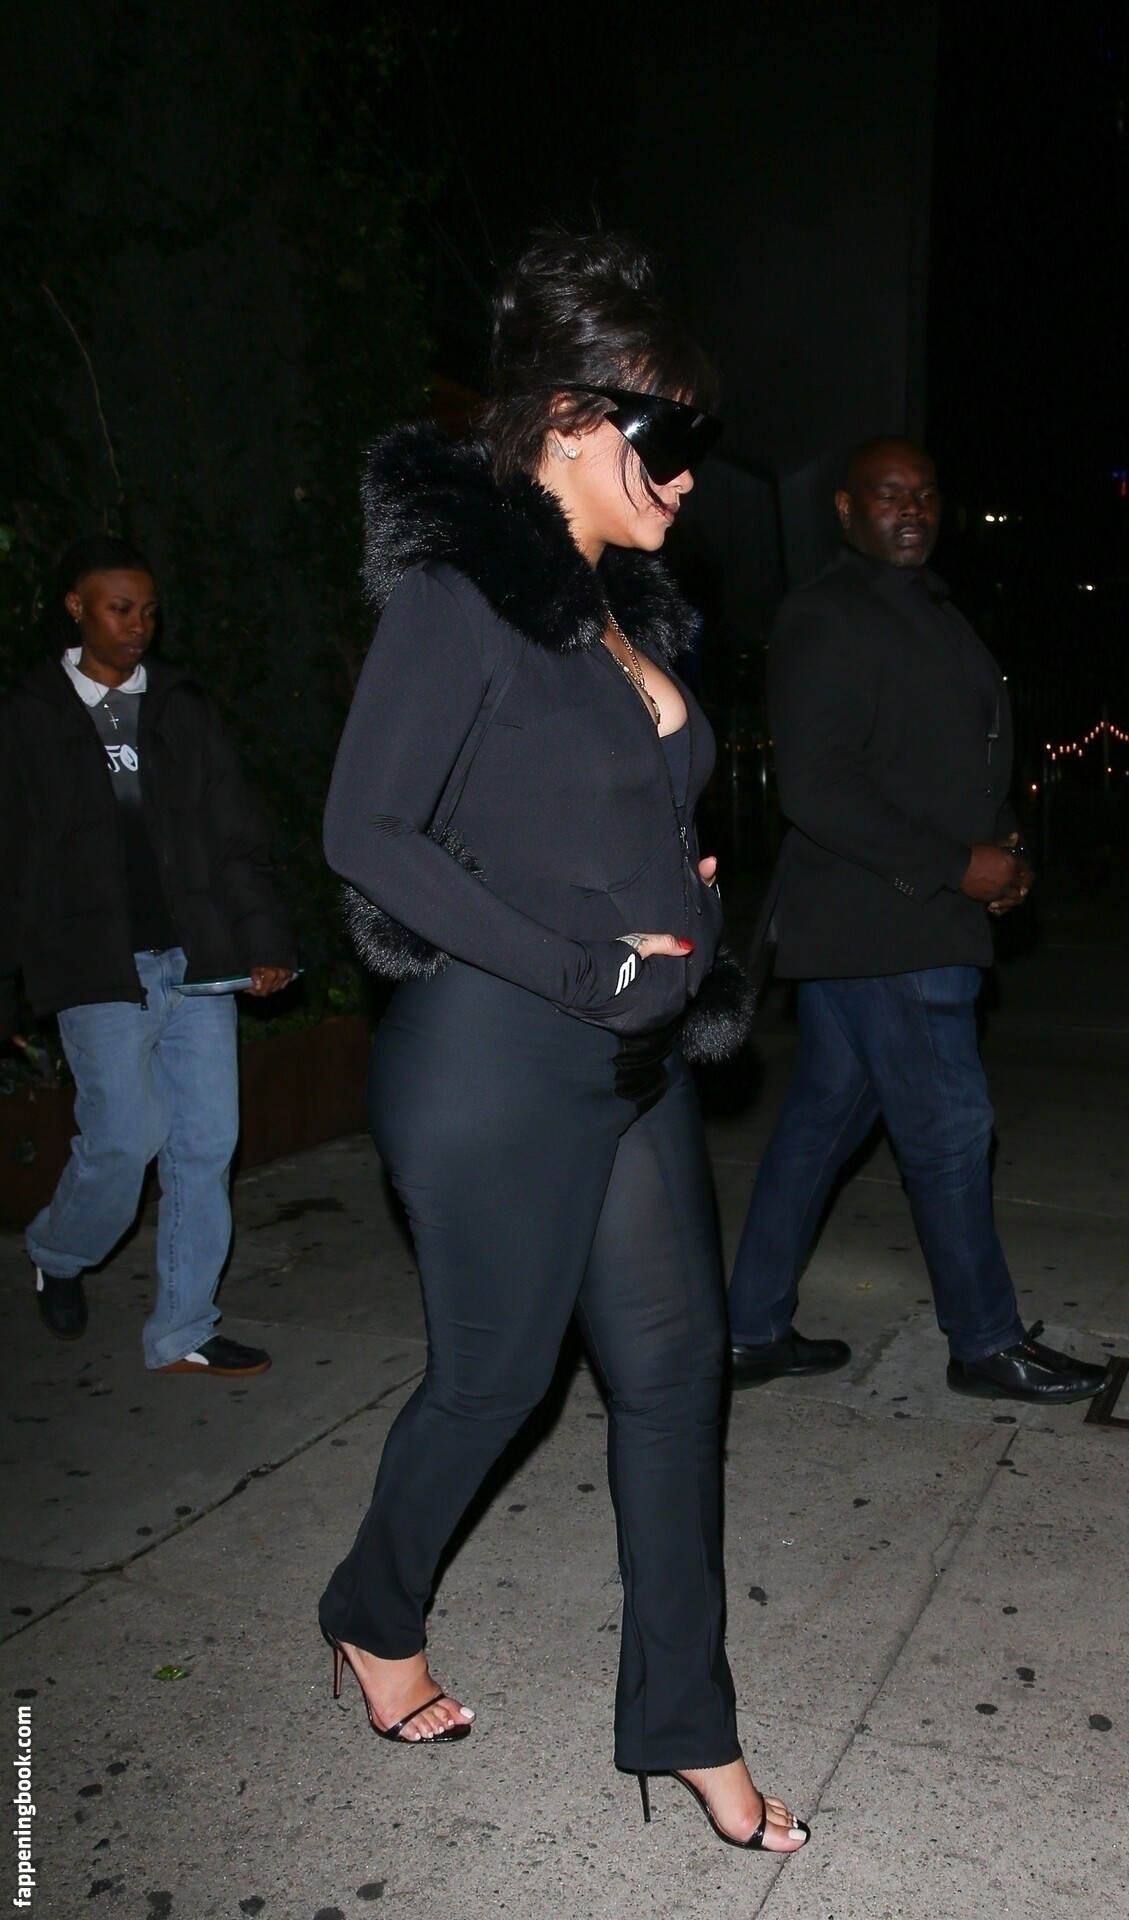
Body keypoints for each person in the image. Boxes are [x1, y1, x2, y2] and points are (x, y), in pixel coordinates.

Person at [316, 232, 808, 1856]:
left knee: (674, 1382)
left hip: (630, 1057)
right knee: (495, 1381)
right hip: (494, 1058)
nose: (690, 475)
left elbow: (592, 818)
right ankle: (371, 1614)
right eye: (672, 438)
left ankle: (688, 1729)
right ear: (576, 422)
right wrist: (585, 960)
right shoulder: (461, 598)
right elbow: (367, 830)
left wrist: (680, 904)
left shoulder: (612, 615)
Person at [727, 439, 1108, 1404]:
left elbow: (945, 763)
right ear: (846, 509)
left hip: (894, 924)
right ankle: (985, 1344)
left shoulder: (930, 610)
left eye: (927, 494)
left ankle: (749, 1328)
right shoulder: (826, 613)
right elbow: (817, 786)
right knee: (949, 1130)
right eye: (890, 494)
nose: (913, 509)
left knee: (819, 1127)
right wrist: (954, 866)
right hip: (886, 923)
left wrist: (1003, 847)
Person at [0, 535, 297, 1375]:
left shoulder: (179, 706)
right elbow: (13, 856)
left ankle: (183, 1329)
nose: (138, 625)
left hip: (197, 959)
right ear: (77, 607)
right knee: (125, 1137)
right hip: (96, 961)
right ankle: (60, 1251)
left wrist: (265, 939)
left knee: (206, 1146)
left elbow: (235, 830)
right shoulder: (31, 715)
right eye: (120, 609)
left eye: (149, 611)